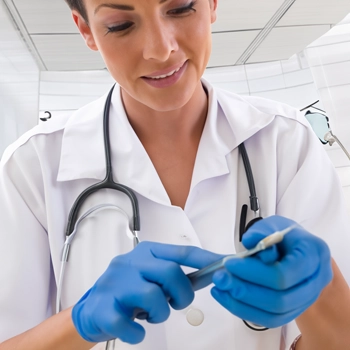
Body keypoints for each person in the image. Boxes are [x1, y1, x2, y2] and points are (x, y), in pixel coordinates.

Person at [0, 0, 350, 349]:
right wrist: (79, 323)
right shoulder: (31, 166)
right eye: (121, 25)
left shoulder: (285, 139)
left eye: (181, 7)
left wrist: (324, 291)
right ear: (86, 30)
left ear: (212, 4)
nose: (161, 50)